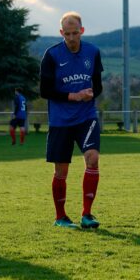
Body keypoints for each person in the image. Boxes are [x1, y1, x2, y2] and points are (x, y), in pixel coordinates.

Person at [40, 12, 104, 229]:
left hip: (86, 117)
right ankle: (61, 217)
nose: (71, 37)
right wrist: (73, 96)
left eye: (75, 33)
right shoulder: (52, 55)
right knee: (61, 171)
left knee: (92, 158)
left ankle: (87, 214)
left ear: (82, 31)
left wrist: (90, 94)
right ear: (61, 33)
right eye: (67, 34)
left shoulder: (93, 52)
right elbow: (44, 90)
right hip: (60, 121)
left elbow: (98, 85)